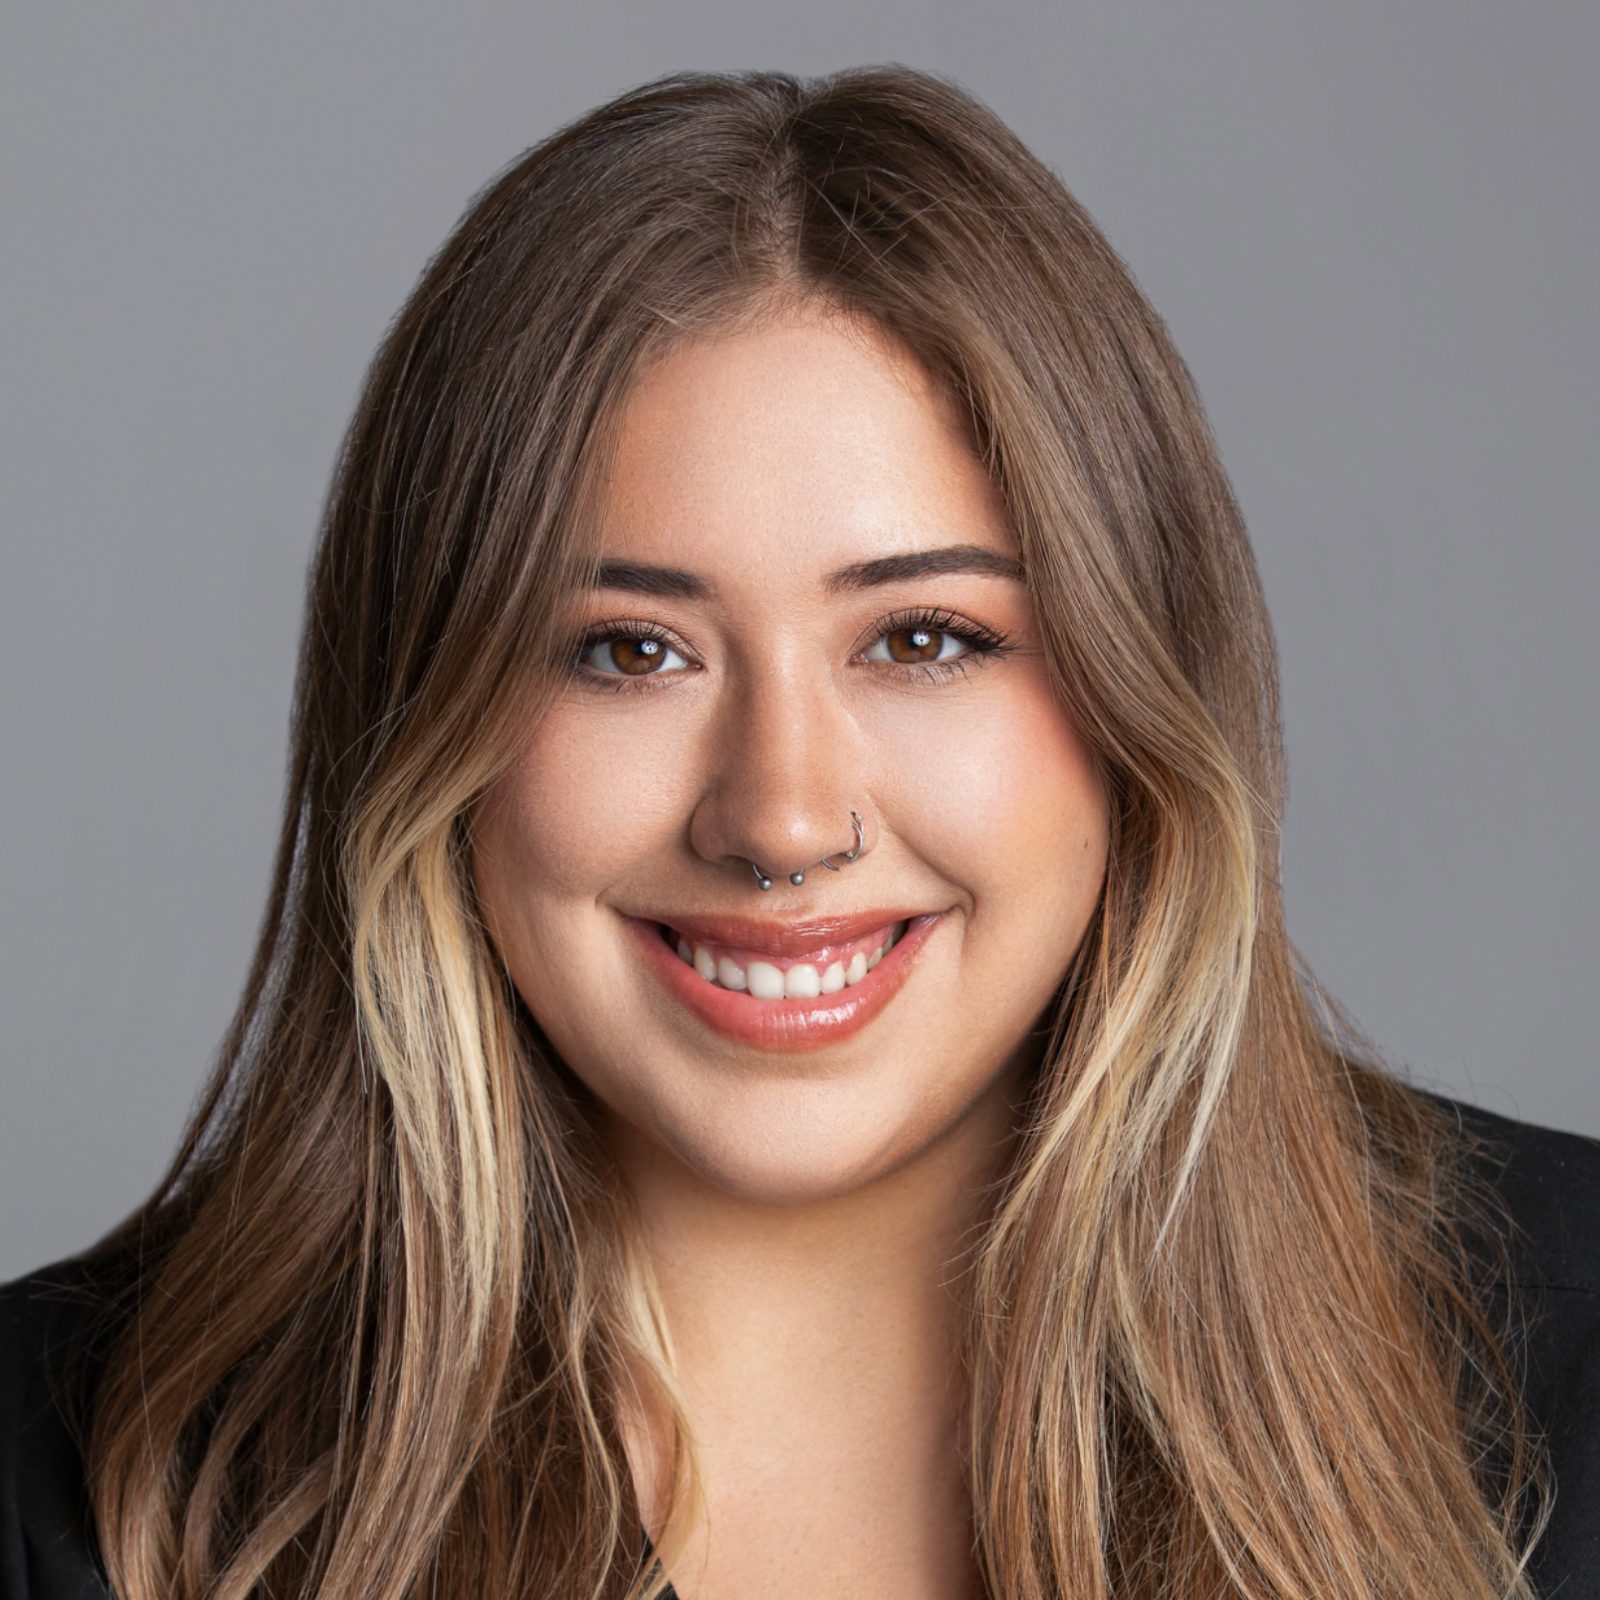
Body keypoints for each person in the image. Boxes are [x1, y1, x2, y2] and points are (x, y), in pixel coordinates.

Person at [2, 66, 1596, 1600]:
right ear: (429, 728)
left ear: (1141, 694)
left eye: (922, 638)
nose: (780, 820)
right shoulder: (55, 1481)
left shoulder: (1573, 1360)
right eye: (630, 650)